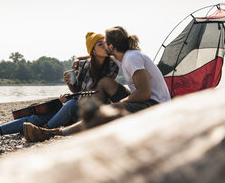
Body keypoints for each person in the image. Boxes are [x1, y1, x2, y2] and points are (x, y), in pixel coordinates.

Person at [23, 26, 171, 142]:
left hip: (154, 105)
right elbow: (95, 53)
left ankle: (56, 132)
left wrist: (121, 103)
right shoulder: (121, 56)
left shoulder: (132, 58)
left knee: (109, 109)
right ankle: (87, 120)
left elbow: (144, 93)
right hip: (145, 100)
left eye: (105, 42)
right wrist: (78, 59)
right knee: (104, 83)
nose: (103, 45)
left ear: (111, 46)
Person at [0, 32, 119, 142]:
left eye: (105, 42)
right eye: (100, 43)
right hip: (73, 107)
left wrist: (80, 57)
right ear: (92, 50)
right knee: (38, 115)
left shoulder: (111, 65)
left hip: (89, 111)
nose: (105, 45)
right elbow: (76, 91)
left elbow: (112, 60)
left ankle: (44, 130)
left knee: (71, 104)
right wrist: (69, 85)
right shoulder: (84, 66)